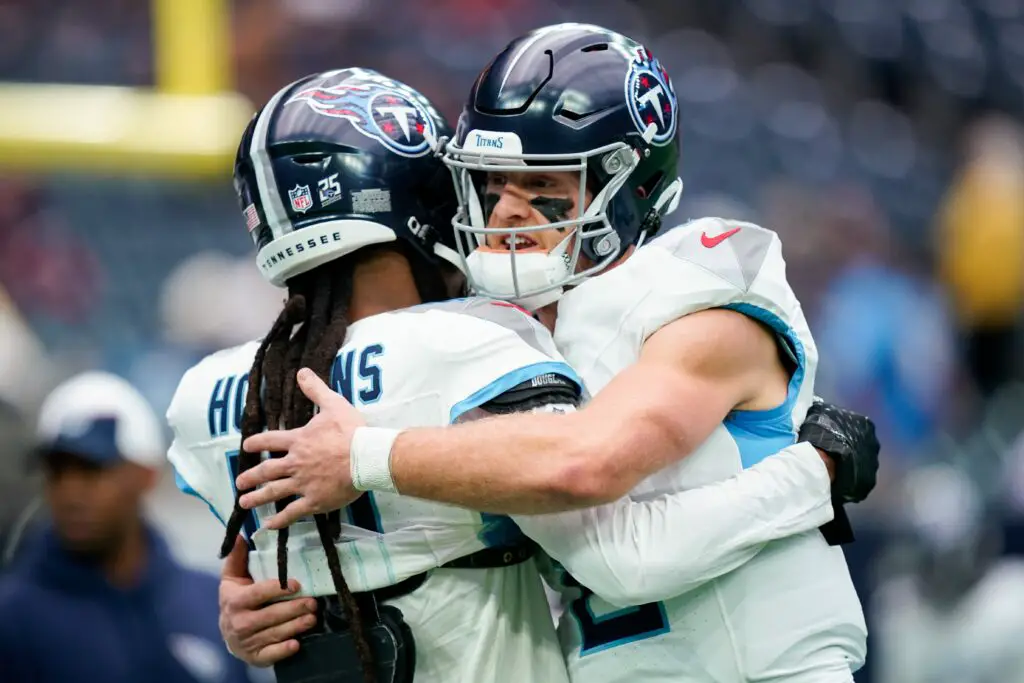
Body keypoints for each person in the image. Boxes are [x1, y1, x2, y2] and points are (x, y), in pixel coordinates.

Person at [173, 67, 877, 683]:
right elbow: (597, 520)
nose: (505, 210)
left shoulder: (689, 295)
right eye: (488, 184)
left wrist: (256, 588)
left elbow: (594, 501)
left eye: (541, 184)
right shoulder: (491, 338)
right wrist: (814, 472)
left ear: (625, 183)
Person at [0, 371, 254, 683]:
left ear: (146, 474)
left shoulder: (212, 601)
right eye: (57, 471)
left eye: (92, 469)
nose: (70, 492)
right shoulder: (11, 618)